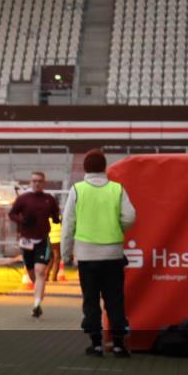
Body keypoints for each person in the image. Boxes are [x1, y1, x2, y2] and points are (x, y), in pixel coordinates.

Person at [61, 148, 137, 358]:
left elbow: (68, 225)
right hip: (113, 255)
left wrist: (66, 254)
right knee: (115, 300)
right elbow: (130, 216)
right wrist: (117, 227)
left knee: (91, 300)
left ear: (85, 168)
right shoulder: (117, 189)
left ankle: (96, 344)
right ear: (104, 167)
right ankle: (120, 344)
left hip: (87, 256)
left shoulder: (77, 190)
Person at [8, 171, 61, 318]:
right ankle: (38, 293)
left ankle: (37, 304)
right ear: (31, 182)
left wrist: (56, 219)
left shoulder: (49, 199)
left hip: (42, 240)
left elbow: (55, 214)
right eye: (34, 181)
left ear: (44, 183)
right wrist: (22, 220)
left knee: (40, 271)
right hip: (27, 241)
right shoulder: (23, 199)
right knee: (32, 273)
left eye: (40, 181)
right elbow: (11, 214)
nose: (37, 183)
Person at [47, 216, 62, 283]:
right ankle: (54, 277)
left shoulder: (47, 218)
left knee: (51, 259)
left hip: (50, 240)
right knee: (57, 259)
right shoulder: (59, 217)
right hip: (57, 239)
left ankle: (46, 276)